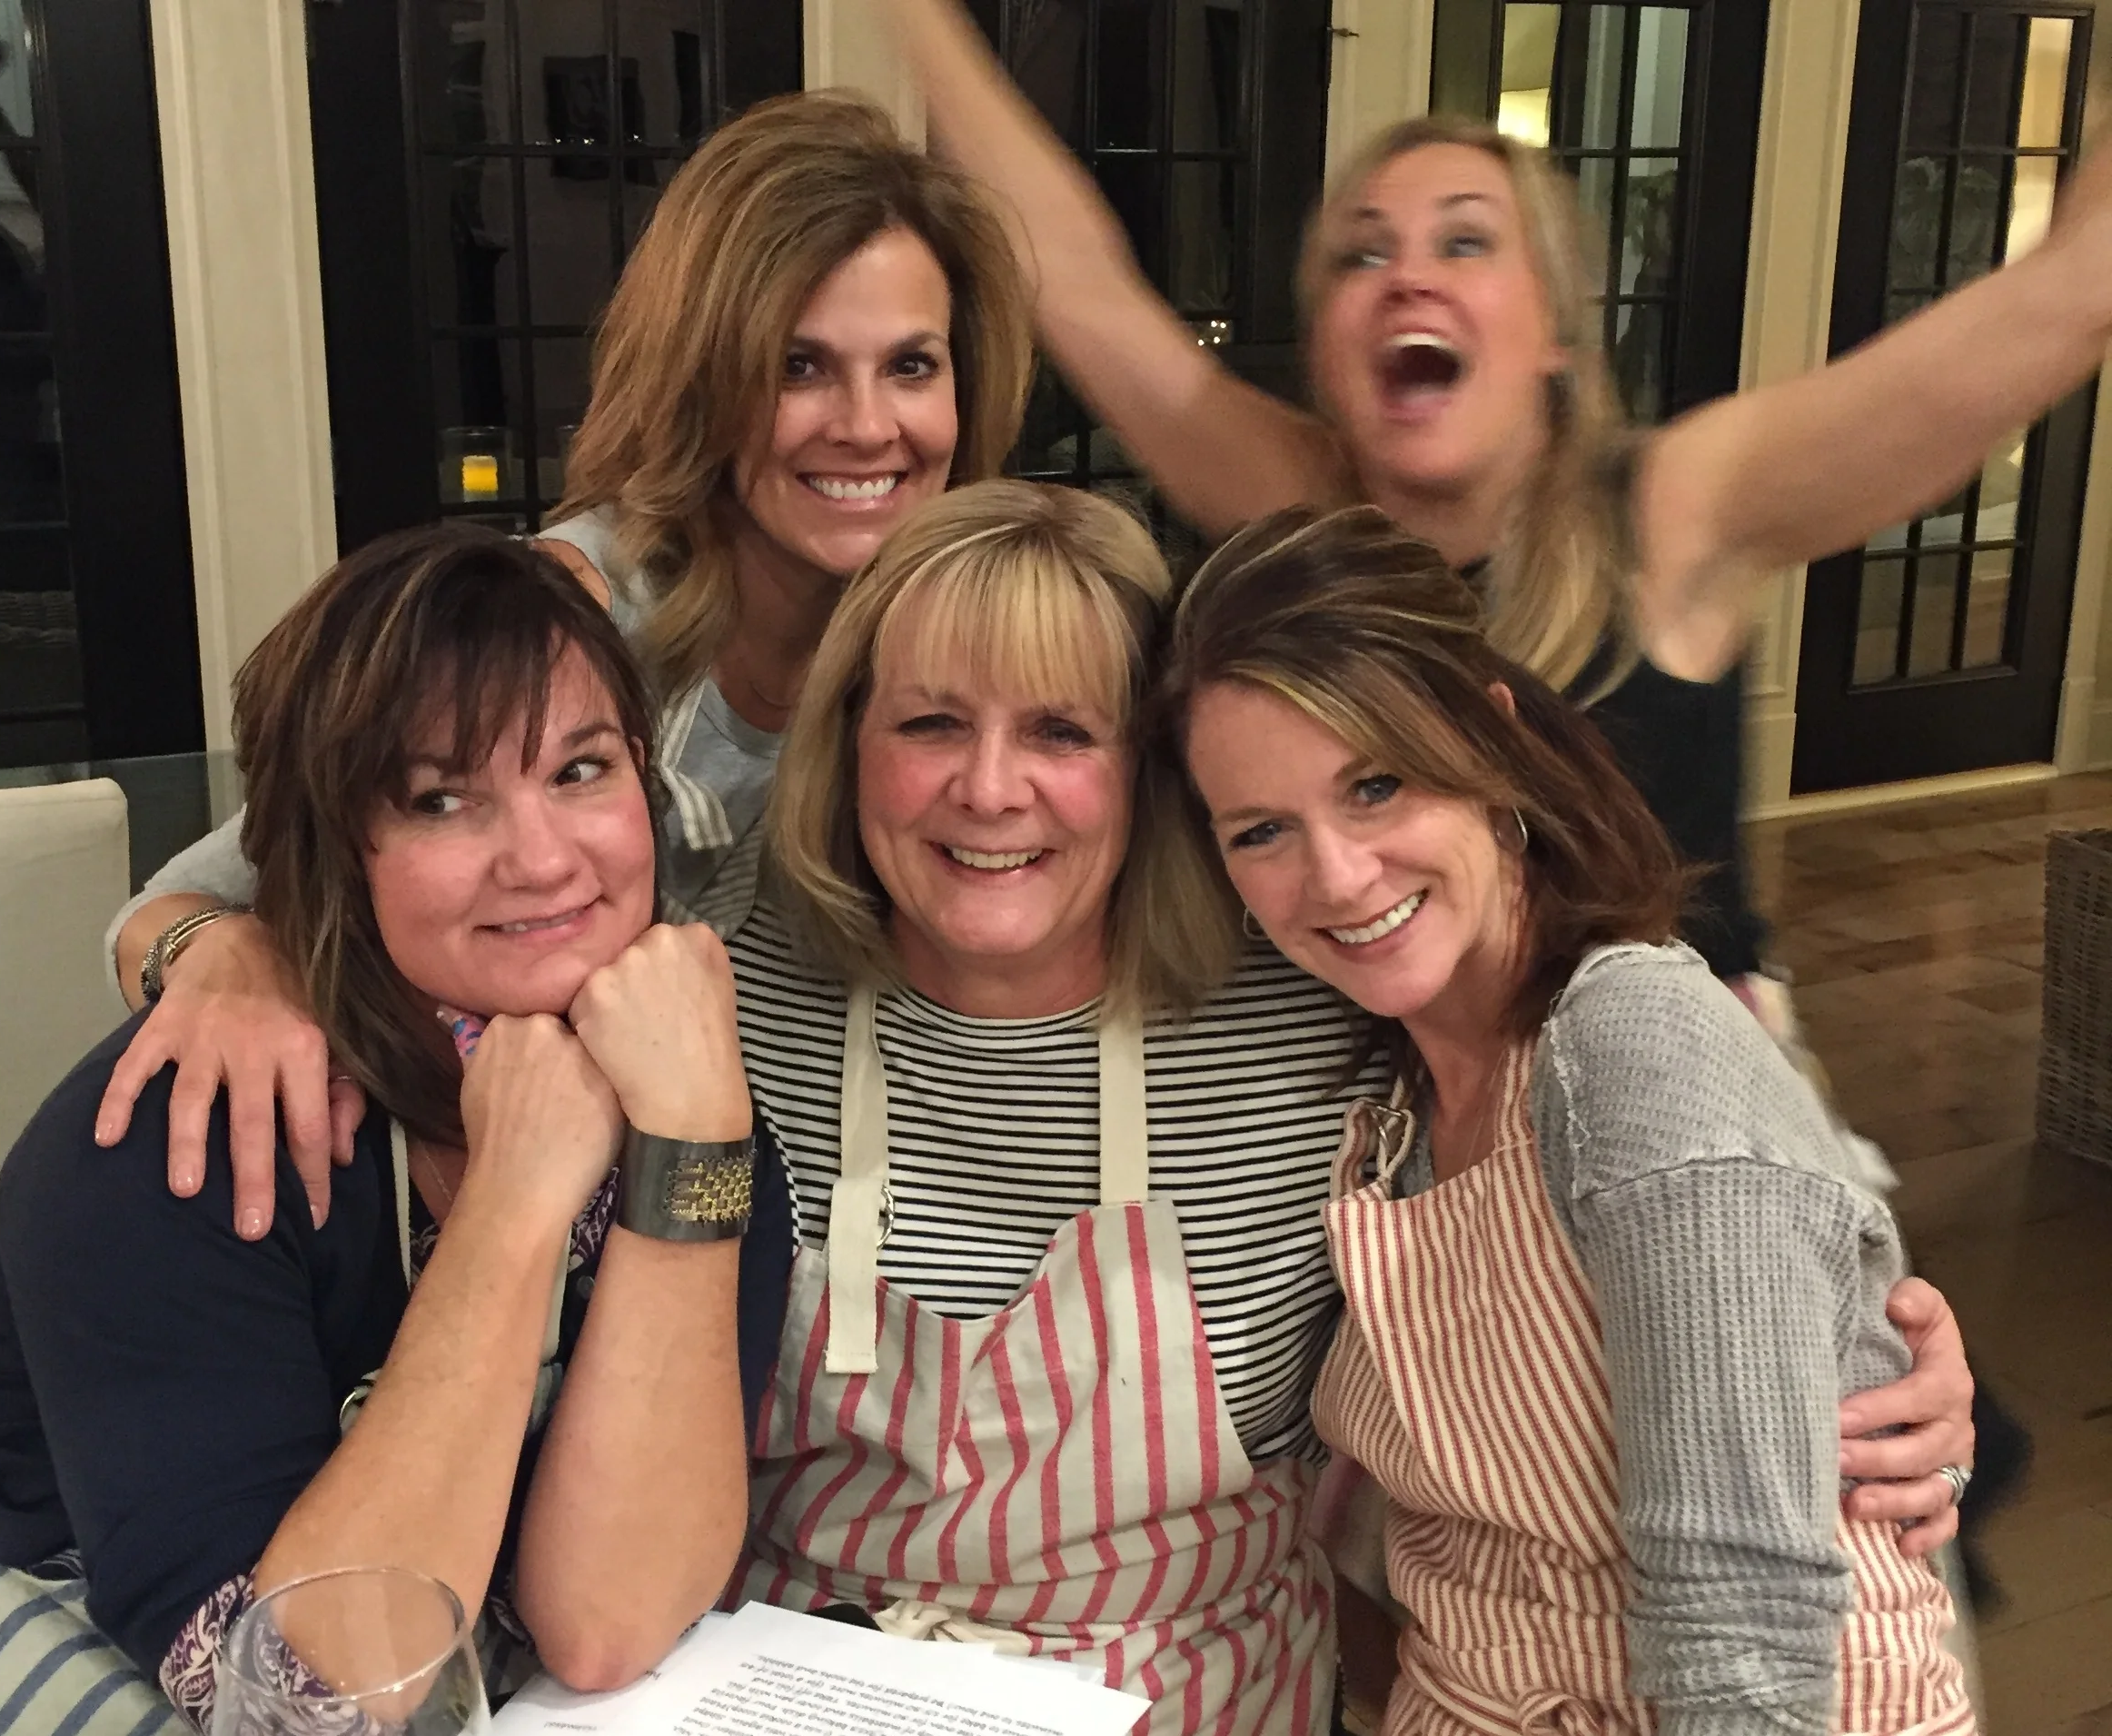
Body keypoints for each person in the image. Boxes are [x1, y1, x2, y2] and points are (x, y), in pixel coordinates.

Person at [720, 481, 1974, 1734]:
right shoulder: (731, 996)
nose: (1337, 874)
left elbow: (1745, 1591)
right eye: (931, 722)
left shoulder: (1458, 1021)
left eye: (1377, 785)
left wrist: (1882, 1365)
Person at [882, 0, 2112, 1013]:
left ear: (1556, 333)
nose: (1407, 275)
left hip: (1666, 1114)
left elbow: (2065, 299)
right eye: (1362, 254)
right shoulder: (1305, 508)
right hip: (1409, 1110)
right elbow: (1075, 278)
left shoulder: (1668, 513)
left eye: (1465, 242)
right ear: (1326, 350)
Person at [83, 88, 1036, 1244]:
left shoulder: (953, 633)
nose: (868, 425)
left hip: (743, 1207)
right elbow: (167, 909)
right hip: (450, 1207)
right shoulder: (572, 614)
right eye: (799, 367)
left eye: (912, 366)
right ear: (703, 378)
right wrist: (231, 957)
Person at [0, 524, 791, 1732]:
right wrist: (515, 1198)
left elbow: (607, 1622)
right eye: (441, 800)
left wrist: (693, 1138)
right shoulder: (175, 1136)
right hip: (32, 1620)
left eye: (581, 770)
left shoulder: (684, 1086)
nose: (541, 858)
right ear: (330, 851)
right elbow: (301, 1696)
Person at [1159, 507, 1975, 1736]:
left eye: (1376, 784)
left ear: (1492, 739)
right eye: (1261, 830)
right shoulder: (1388, 1086)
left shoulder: (1633, 1043)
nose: (1335, 875)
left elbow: (1744, 1641)